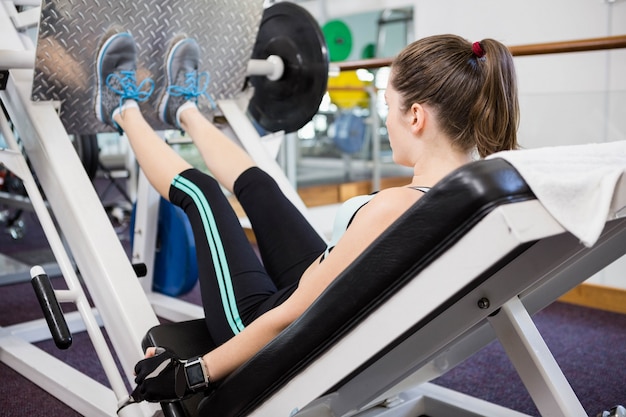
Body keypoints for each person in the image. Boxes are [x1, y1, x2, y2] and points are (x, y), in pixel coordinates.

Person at [94, 29, 519, 404]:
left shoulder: (395, 207)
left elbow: (288, 317)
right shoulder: (478, 194)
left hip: (274, 326)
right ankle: (184, 109)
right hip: (339, 301)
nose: (385, 120)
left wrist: (194, 372)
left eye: (388, 106)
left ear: (415, 116)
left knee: (203, 194)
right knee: (259, 186)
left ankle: (121, 107)